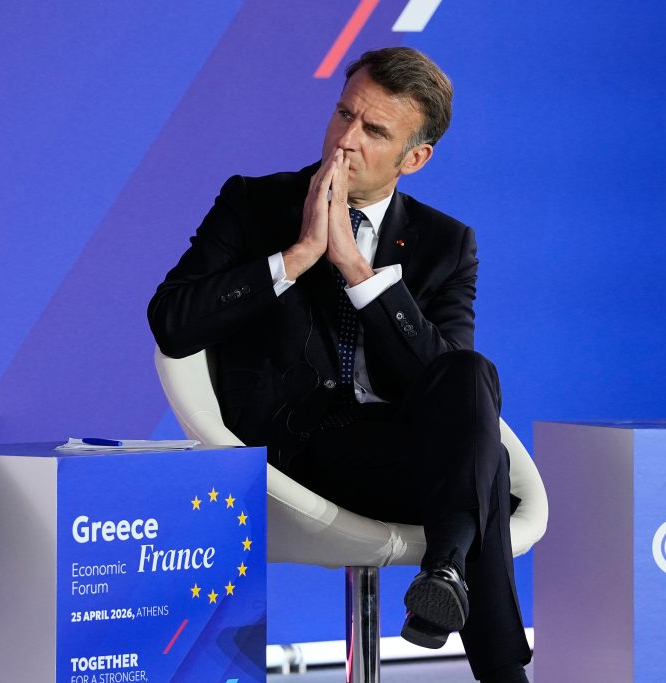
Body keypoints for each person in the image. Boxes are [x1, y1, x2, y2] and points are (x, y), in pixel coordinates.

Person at [148, 47, 531, 683]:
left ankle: (445, 573)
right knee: (482, 477)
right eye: (344, 114)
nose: (345, 140)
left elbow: (442, 381)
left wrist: (358, 269)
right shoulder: (253, 204)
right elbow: (171, 321)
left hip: (396, 454)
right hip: (295, 454)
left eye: (374, 130)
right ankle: (463, 599)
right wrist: (298, 255)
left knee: (471, 374)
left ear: (414, 158)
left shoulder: (446, 242)